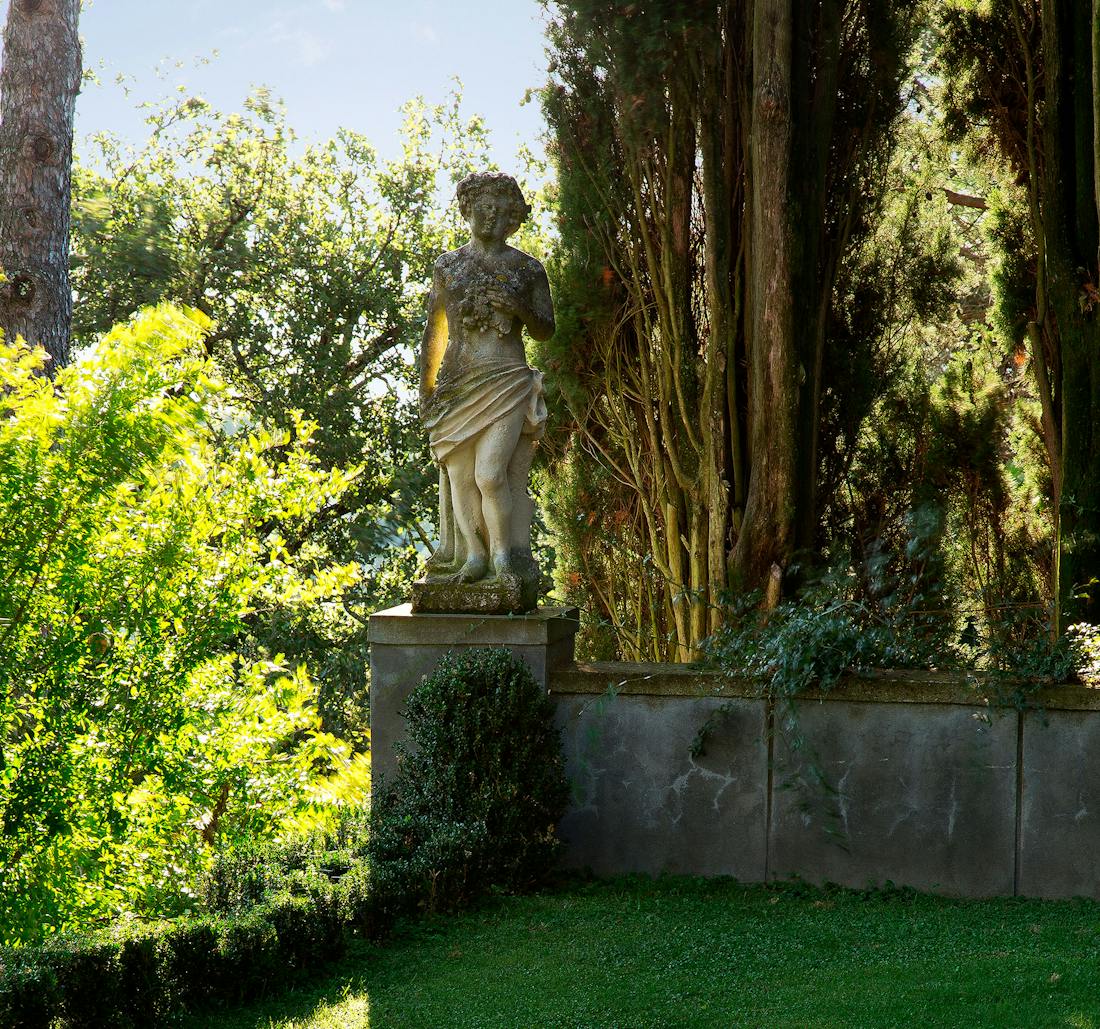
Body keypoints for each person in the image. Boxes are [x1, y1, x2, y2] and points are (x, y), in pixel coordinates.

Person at [418, 172, 554, 593]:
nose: (490, 215)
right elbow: (434, 333)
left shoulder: (526, 269)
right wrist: (425, 390)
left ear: (512, 215)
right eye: (483, 206)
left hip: (506, 380)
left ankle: (502, 557)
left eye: (499, 208)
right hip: (456, 384)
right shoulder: (448, 266)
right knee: (460, 477)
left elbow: (545, 329)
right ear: (468, 210)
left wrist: (519, 307)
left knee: (491, 475)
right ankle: (474, 557)